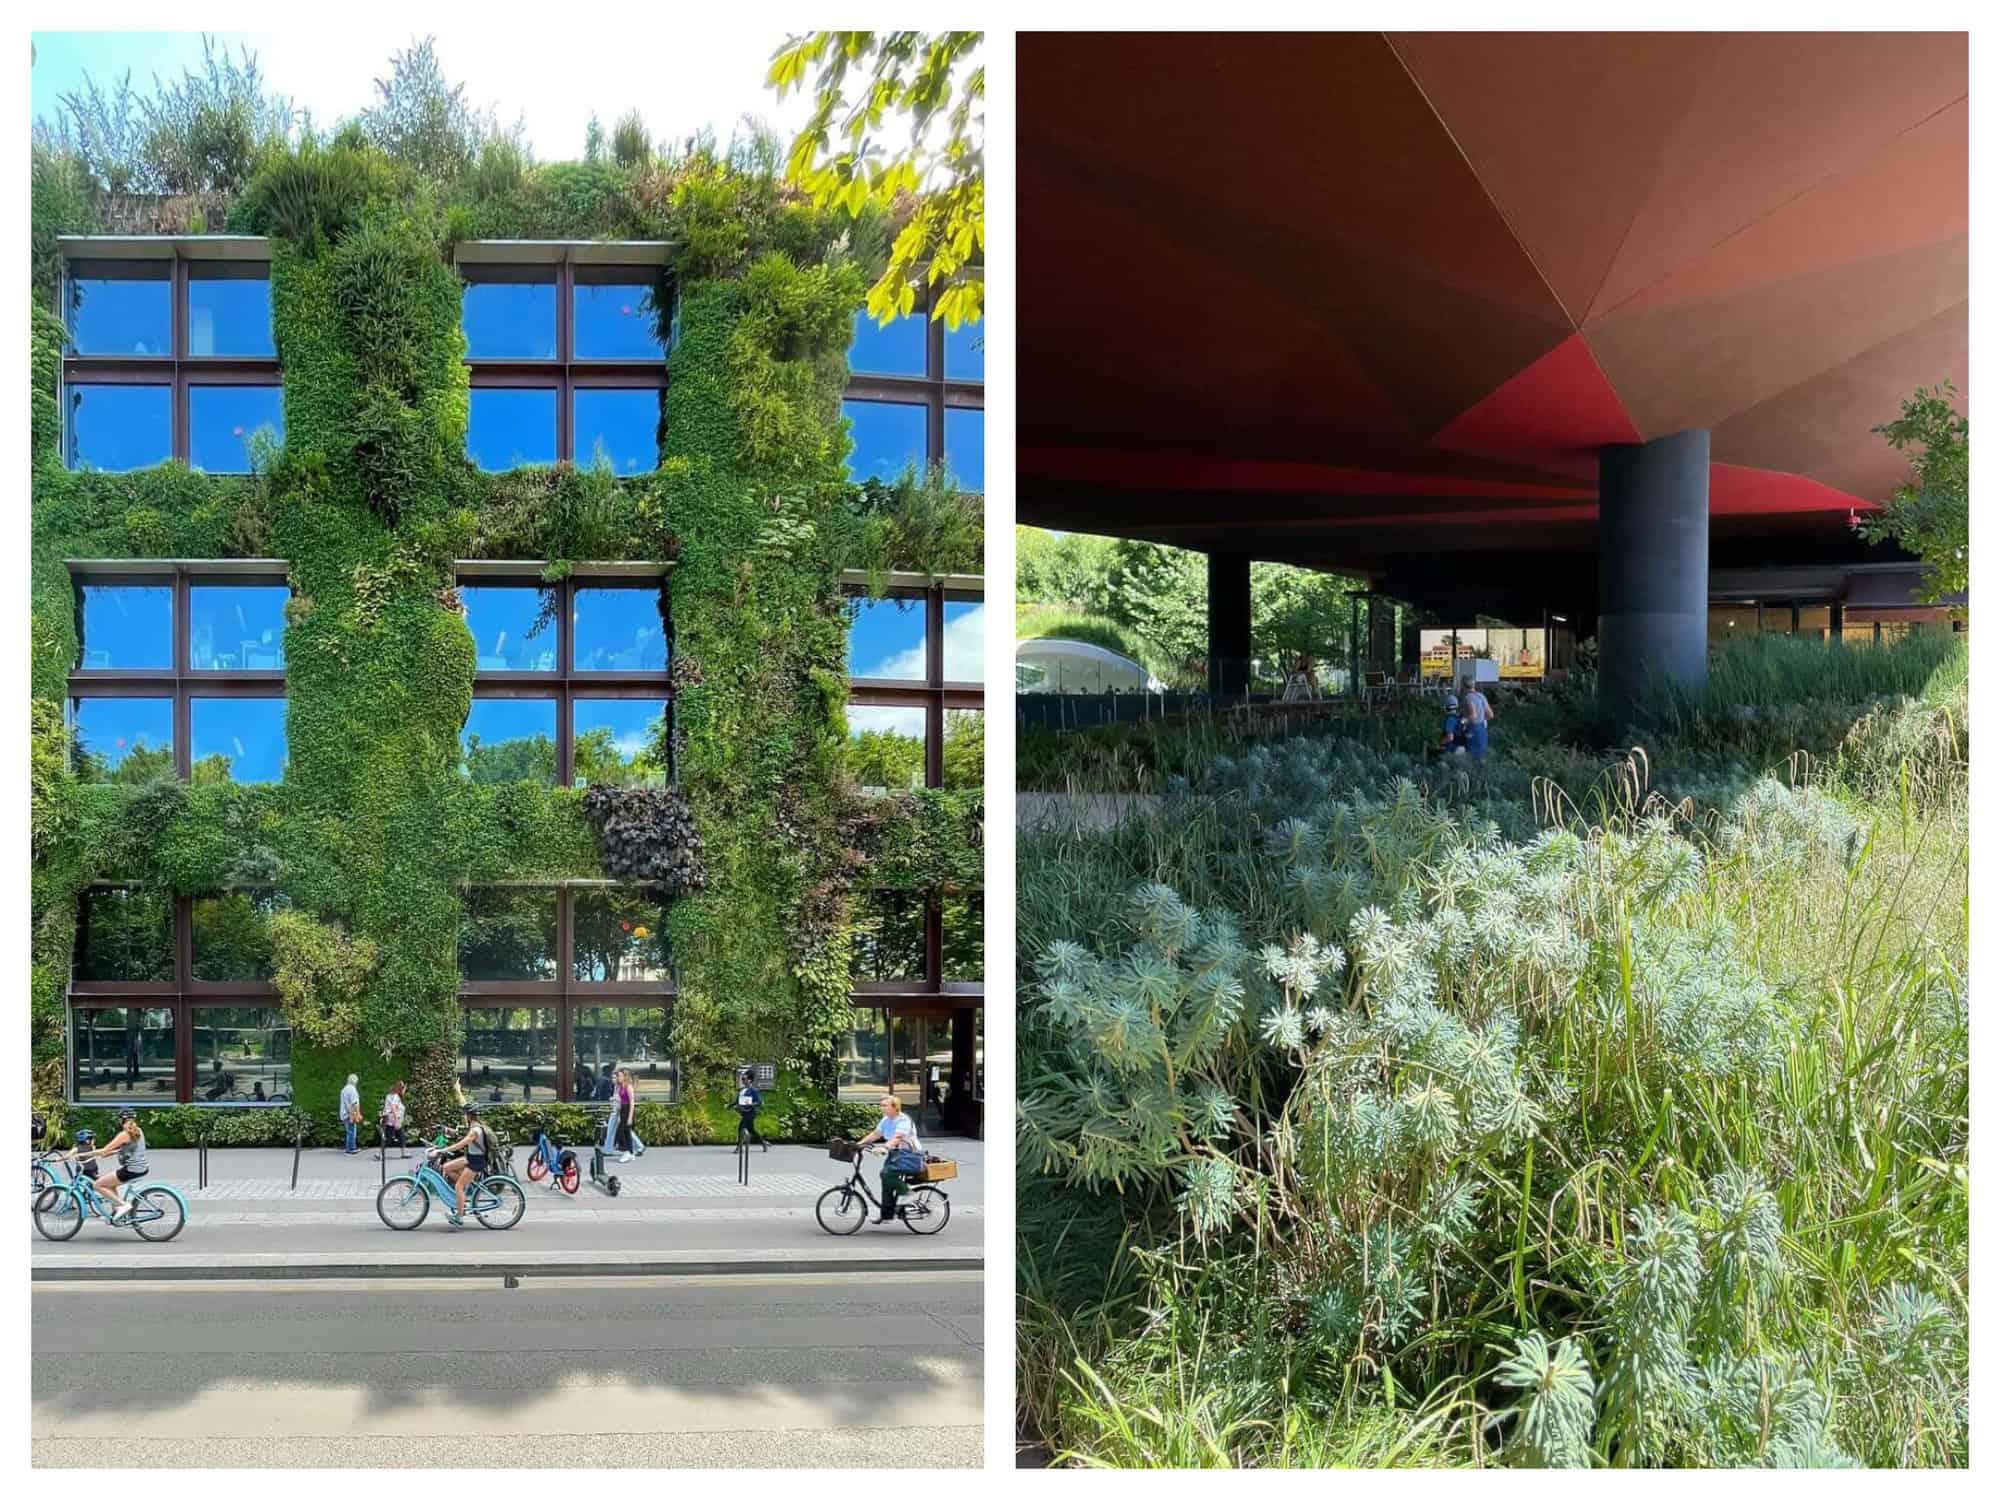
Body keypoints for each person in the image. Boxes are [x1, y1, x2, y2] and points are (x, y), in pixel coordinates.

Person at [61, 1109, 149, 1222]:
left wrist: (83, 1154)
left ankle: (123, 1205)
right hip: (142, 1168)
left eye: (119, 1119)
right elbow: (126, 1150)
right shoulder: (138, 1131)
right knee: (110, 1184)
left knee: (98, 1185)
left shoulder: (124, 1134)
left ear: (122, 1120)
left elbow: (104, 1150)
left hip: (131, 1170)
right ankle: (117, 1210)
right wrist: (109, 1153)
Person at [856, 1093, 925, 1225]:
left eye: (885, 1105)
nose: (882, 1108)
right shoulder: (886, 1119)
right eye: (881, 1105)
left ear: (895, 1107)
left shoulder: (903, 1120)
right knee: (886, 1182)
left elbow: (898, 1137)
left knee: (886, 1174)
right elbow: (876, 1134)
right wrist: (859, 1144)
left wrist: (885, 1147)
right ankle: (887, 1215)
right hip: (896, 1154)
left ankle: (908, 1193)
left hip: (909, 1155)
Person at [439, 1105, 498, 1226]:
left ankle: (459, 1217)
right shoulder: (473, 1126)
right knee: (446, 1167)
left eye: (465, 1114)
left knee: (458, 1187)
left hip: (477, 1161)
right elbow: (462, 1137)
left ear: (469, 1116)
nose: (463, 1116)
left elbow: (461, 1144)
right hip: (470, 1158)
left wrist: (444, 1150)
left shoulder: (475, 1131)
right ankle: (465, 1189)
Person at [734, 1067, 768, 1153]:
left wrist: (751, 1104)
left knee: (741, 1127)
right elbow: (737, 1100)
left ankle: (739, 1147)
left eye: (744, 1079)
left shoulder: (754, 1090)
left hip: (751, 1113)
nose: (742, 1080)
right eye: (742, 1079)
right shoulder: (742, 1090)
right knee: (751, 1130)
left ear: (749, 1080)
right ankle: (763, 1142)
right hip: (744, 1113)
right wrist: (730, 1105)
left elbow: (760, 1102)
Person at [1461, 682, 1494, 759]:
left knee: (1471, 756)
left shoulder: (1468, 697)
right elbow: (1491, 715)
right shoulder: (1481, 696)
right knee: (1482, 756)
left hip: (1473, 730)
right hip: (1482, 729)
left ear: (1463, 686)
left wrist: (1463, 721)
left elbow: (1473, 715)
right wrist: (1482, 719)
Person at [377, 1081, 408, 1161]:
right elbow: (393, 1107)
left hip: (391, 1119)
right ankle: (379, 1154)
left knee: (401, 1136)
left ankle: (403, 1153)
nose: (404, 1090)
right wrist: (396, 1120)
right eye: (404, 1088)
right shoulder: (395, 1096)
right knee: (389, 1138)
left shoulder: (390, 1095)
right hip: (393, 1120)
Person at [614, 1067, 637, 1163]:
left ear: (624, 1076)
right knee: (627, 1133)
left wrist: (630, 1117)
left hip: (628, 1109)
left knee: (621, 1132)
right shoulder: (620, 1086)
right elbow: (620, 1100)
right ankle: (631, 1152)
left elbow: (632, 1102)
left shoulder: (629, 1087)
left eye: (619, 1075)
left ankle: (626, 1151)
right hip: (623, 1109)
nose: (617, 1077)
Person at [339, 1073, 362, 1154]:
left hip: (344, 1113)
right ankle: (351, 1148)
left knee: (349, 1131)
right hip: (350, 1113)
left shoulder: (344, 1089)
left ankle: (350, 1147)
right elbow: (354, 1103)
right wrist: (357, 1114)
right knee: (352, 1131)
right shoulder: (352, 1089)